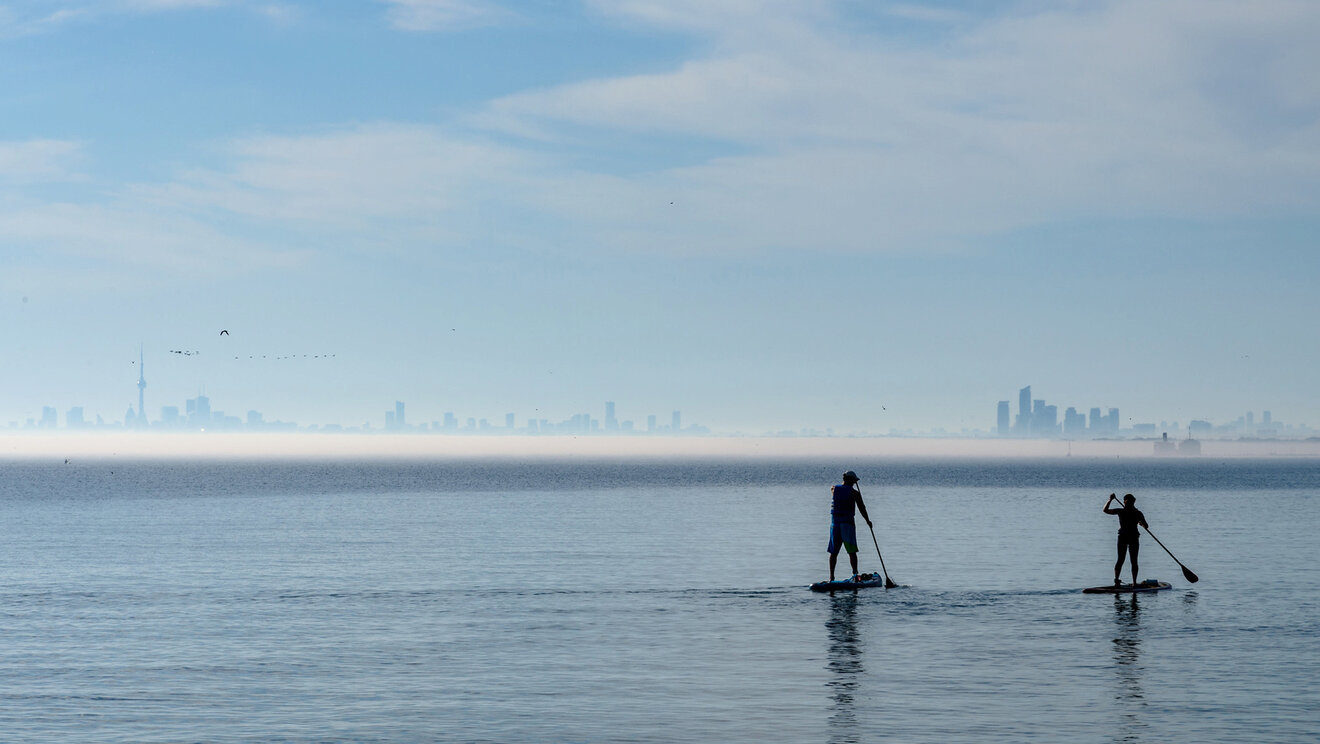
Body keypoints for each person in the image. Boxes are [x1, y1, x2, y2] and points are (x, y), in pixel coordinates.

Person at [828, 471, 873, 582]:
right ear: (851, 481)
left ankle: (831, 577)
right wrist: (868, 521)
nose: (854, 483)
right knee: (852, 552)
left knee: (834, 553)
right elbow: (862, 508)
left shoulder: (834, 489)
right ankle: (855, 575)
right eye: (854, 481)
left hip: (835, 525)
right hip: (847, 525)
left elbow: (833, 488)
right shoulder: (855, 493)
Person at [1103, 493, 1149, 586]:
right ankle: (1134, 583)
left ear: (1125, 502)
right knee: (1132, 560)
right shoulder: (1137, 513)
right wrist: (1141, 523)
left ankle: (1117, 580)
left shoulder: (1122, 511)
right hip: (1131, 537)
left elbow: (1105, 510)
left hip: (1125, 537)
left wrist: (1110, 499)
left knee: (1122, 559)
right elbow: (1146, 526)